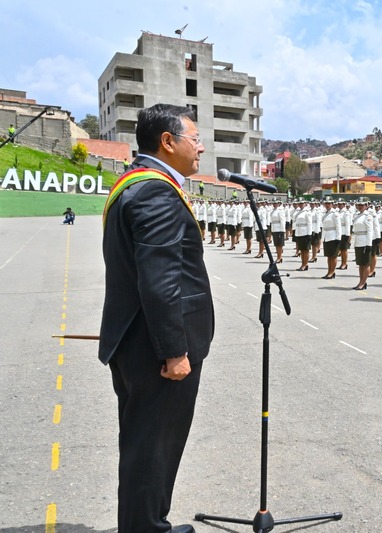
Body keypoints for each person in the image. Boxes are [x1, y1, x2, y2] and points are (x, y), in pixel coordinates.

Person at [98, 104, 213, 533]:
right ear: (168, 142)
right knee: (153, 449)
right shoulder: (156, 191)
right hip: (156, 352)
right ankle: (147, 527)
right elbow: (161, 281)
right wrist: (175, 351)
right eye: (194, 137)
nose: (201, 146)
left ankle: (145, 522)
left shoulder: (135, 184)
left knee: (145, 445)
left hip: (136, 342)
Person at [351, 197, 374, 290]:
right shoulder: (356, 215)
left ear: (366, 206)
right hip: (358, 241)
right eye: (358, 205)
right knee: (360, 264)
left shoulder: (368, 216)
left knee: (366, 263)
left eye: (362, 205)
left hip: (364, 241)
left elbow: (370, 231)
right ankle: (361, 281)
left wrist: (368, 244)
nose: (360, 207)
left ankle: (363, 282)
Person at [321, 198, 342, 279]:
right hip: (327, 236)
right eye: (326, 203)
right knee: (329, 256)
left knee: (333, 256)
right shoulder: (325, 213)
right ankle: (329, 271)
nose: (327, 205)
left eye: (329, 203)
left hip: (333, 236)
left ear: (332, 204)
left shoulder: (335, 214)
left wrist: (338, 238)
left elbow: (338, 226)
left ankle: (332, 272)